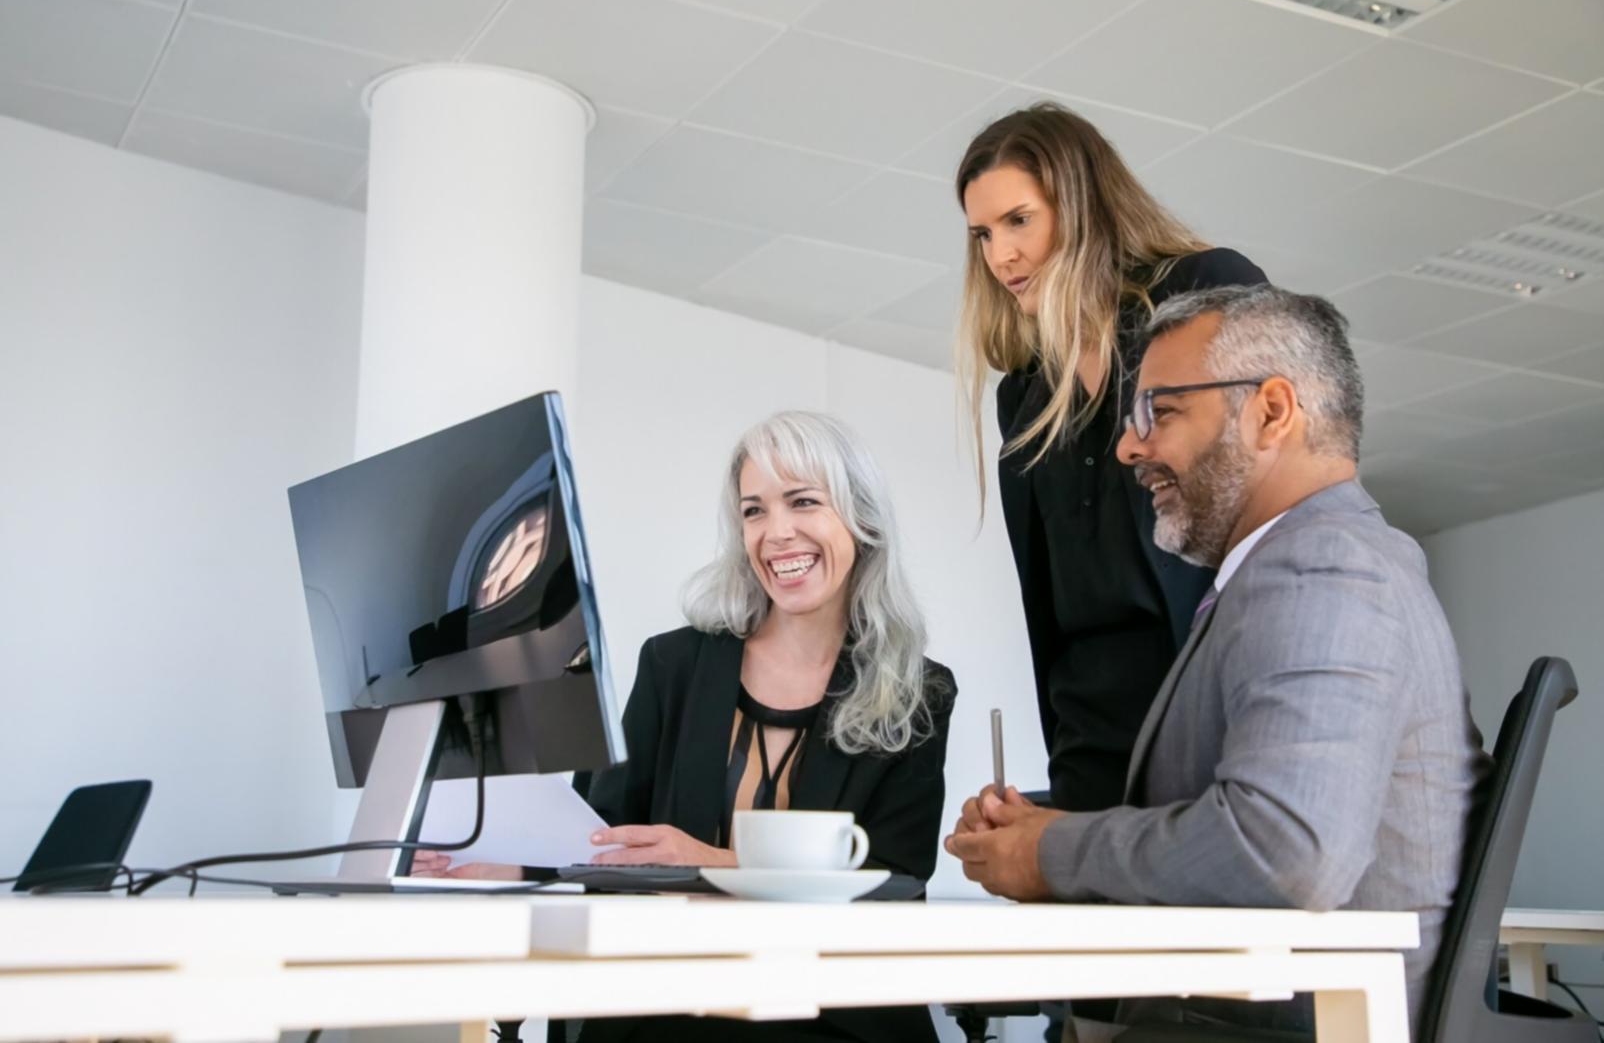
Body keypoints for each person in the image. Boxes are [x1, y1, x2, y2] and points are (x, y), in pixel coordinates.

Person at [945, 285, 1489, 1038]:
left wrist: (1053, 851)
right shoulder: (1294, 572)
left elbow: (1285, 852)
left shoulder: (1325, 568)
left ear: (1271, 411)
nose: (1130, 447)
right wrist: (1053, 834)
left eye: (1160, 413)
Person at [426, 411, 956, 1043]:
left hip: (826, 1013)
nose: (776, 533)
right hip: (672, 1005)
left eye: (804, 502)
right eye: (754, 510)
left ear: (860, 519)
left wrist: (710, 866)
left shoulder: (918, 692)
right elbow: (602, 837)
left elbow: (894, 890)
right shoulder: (673, 664)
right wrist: (521, 868)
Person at [956, 101, 1268, 816]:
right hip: (1090, 749)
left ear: (1082, 204)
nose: (999, 256)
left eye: (1018, 221)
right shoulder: (1025, 396)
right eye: (981, 234)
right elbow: (1056, 614)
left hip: (1214, 724)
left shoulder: (1202, 291)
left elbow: (1284, 494)